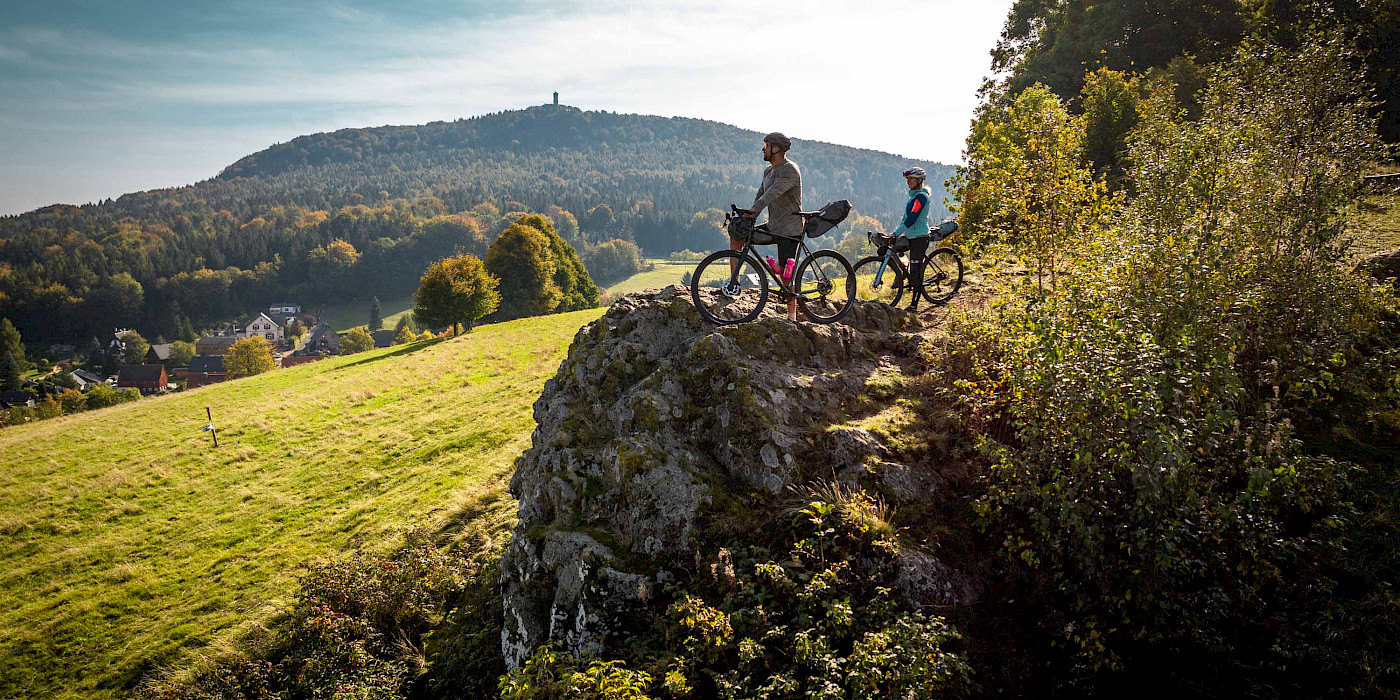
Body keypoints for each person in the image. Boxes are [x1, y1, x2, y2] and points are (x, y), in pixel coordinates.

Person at [727, 132, 802, 320]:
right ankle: (733, 284)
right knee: (738, 236)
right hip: (773, 225)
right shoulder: (768, 171)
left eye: (766, 146)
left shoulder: (790, 170)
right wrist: (749, 216)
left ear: (775, 149)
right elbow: (760, 194)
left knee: (787, 277)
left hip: (789, 229)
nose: (763, 149)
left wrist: (755, 208)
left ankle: (792, 318)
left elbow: (773, 194)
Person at [888, 166, 934, 312]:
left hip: (920, 237)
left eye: (911, 179)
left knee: (915, 270)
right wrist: (894, 233)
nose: (908, 182)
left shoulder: (921, 197)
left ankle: (914, 305)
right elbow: (904, 219)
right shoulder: (913, 197)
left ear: (919, 180)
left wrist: (897, 233)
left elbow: (912, 219)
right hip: (909, 236)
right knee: (890, 249)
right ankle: (901, 274)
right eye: (907, 179)